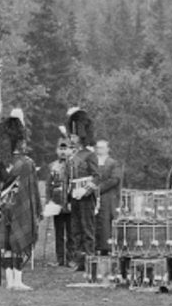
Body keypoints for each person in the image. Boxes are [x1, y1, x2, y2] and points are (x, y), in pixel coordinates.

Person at [0, 113, 39, 291]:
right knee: (18, 246)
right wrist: (37, 210)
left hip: (4, 209)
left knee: (7, 247)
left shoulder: (2, 162)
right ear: (19, 140)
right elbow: (34, 191)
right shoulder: (28, 163)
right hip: (22, 210)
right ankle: (18, 281)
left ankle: (10, 282)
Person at [65, 107, 99, 271]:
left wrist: (85, 190)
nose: (71, 138)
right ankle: (80, 260)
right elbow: (69, 179)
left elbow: (97, 176)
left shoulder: (89, 155)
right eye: (71, 135)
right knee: (76, 230)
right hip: (74, 196)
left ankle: (90, 259)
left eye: (74, 135)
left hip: (85, 196)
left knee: (87, 229)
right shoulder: (72, 155)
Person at [45, 136, 73, 266]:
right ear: (57, 150)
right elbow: (48, 185)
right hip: (57, 203)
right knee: (59, 232)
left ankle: (71, 258)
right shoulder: (52, 166)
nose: (63, 152)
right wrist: (48, 202)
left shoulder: (74, 165)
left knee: (71, 232)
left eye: (65, 148)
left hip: (70, 203)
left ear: (70, 150)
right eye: (60, 149)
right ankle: (60, 258)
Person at [94, 139, 123, 255]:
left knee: (106, 221)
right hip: (93, 197)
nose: (99, 150)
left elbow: (115, 180)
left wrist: (98, 189)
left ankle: (107, 247)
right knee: (95, 221)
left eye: (101, 147)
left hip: (108, 197)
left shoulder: (113, 163)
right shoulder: (92, 162)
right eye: (97, 147)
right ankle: (95, 246)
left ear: (107, 149)